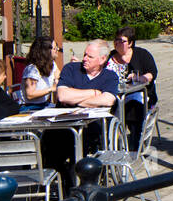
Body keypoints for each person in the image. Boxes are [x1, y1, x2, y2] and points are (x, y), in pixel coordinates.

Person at [44, 40, 120, 188]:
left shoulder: (110, 76)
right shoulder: (71, 69)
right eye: (85, 55)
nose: (84, 58)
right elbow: (63, 96)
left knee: (81, 149)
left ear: (102, 59)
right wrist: (94, 93)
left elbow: (108, 99)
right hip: (62, 127)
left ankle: (78, 187)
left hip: (91, 129)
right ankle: (60, 188)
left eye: (90, 56)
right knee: (49, 144)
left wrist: (77, 101)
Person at [107, 27, 158, 151]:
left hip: (140, 94)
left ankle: (135, 141)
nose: (117, 43)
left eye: (122, 41)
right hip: (114, 95)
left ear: (130, 43)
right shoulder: (110, 57)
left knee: (133, 105)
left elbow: (152, 72)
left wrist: (141, 78)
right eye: (116, 40)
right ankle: (110, 141)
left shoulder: (141, 54)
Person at [17, 37, 58, 107]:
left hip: (44, 104)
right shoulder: (32, 70)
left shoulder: (52, 64)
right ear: (46, 51)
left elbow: (60, 77)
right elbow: (30, 94)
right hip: (30, 107)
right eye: (54, 48)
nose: (57, 50)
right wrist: (52, 89)